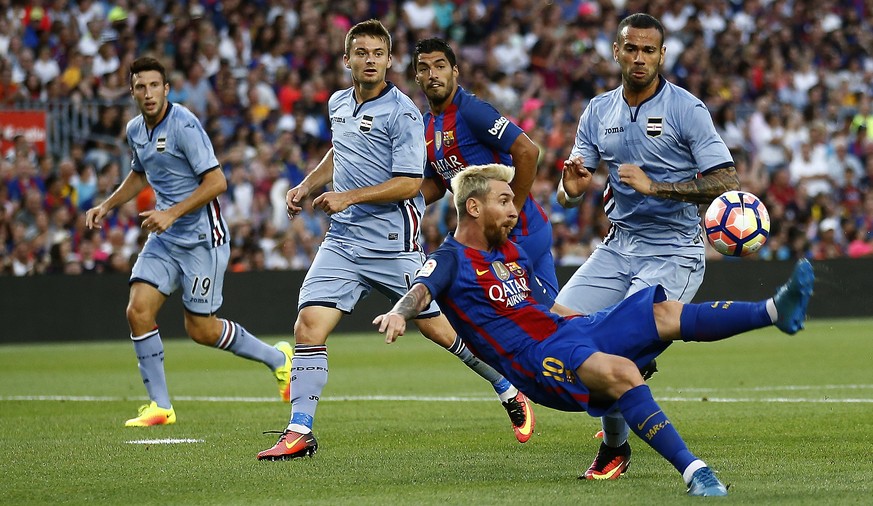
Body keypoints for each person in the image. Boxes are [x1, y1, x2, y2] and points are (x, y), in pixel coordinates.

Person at [374, 163, 814, 497]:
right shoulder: (450, 259)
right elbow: (420, 290)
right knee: (622, 373)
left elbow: (531, 309)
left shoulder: (509, 252)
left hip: (566, 331)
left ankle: (776, 310)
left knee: (662, 313)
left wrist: (582, 323)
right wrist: (399, 312)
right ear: (473, 206)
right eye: (505, 201)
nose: (514, 209)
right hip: (536, 361)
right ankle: (696, 473)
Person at [257, 20, 533, 462]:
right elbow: (339, 151)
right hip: (343, 242)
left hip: (392, 245)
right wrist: (307, 186)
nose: (369, 60)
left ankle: (508, 388)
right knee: (308, 325)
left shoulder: (403, 113)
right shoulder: (338, 103)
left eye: (377, 53)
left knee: (444, 333)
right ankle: (299, 431)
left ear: (388, 60)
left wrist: (348, 196)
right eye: (360, 52)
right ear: (346, 59)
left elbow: (409, 183)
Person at [556, 13, 741, 480]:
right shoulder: (598, 111)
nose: (639, 58)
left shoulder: (686, 108)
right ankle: (620, 432)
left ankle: (616, 449)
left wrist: (657, 187)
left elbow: (726, 181)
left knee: (615, 349)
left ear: (662, 55)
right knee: (560, 328)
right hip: (618, 246)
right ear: (616, 51)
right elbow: (571, 189)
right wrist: (569, 187)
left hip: (673, 250)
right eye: (631, 48)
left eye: (649, 50)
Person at [84, 56, 293, 427]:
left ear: (166, 89)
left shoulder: (184, 125)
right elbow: (139, 174)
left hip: (202, 240)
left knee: (202, 330)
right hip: (166, 239)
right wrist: (106, 205)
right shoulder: (136, 129)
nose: (147, 93)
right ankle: (161, 407)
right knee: (137, 311)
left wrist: (171, 213)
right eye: (140, 87)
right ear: (131, 92)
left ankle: (278, 359)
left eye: (154, 85)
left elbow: (217, 182)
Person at [412, 37, 558, 297]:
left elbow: (528, 151)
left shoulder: (471, 111)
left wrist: (510, 211)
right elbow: (437, 182)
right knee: (551, 320)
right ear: (417, 77)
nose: (432, 74)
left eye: (440, 66)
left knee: (501, 320)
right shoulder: (427, 124)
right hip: (510, 232)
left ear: (455, 71)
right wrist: (399, 199)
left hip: (517, 232)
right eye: (424, 68)